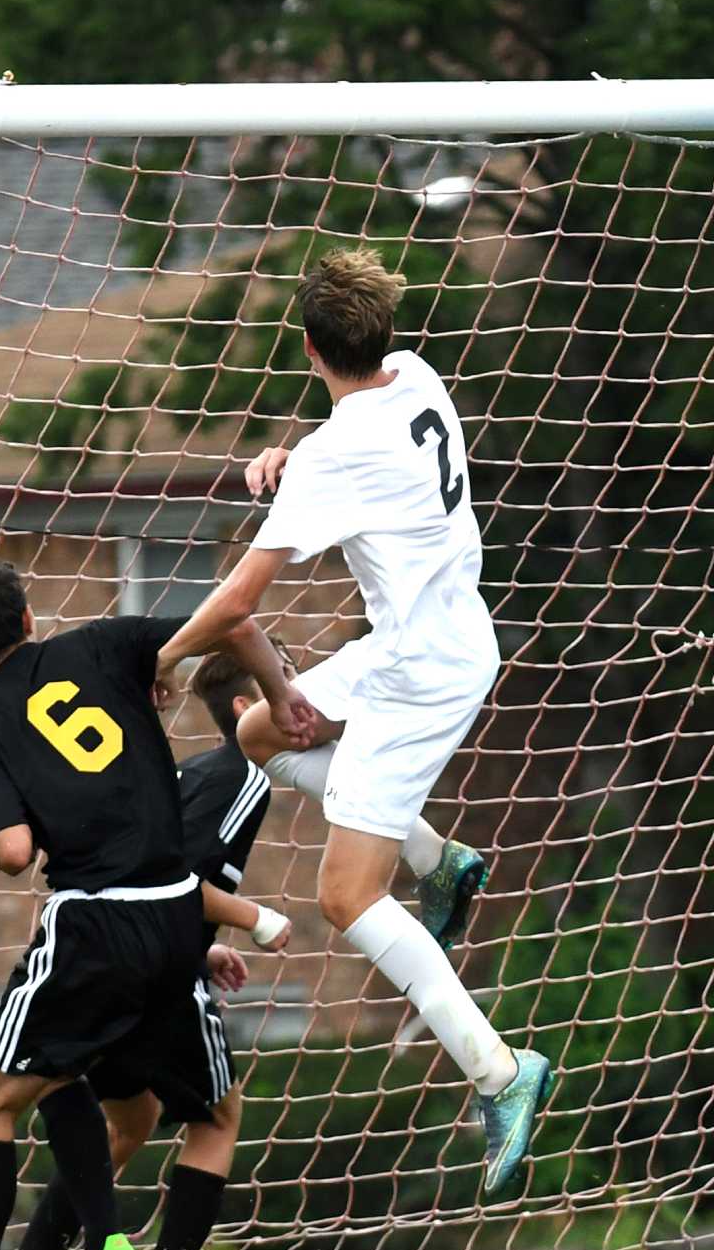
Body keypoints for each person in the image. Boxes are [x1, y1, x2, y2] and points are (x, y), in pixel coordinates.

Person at [162, 246, 552, 1199]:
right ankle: (442, 862)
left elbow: (242, 596)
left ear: (305, 346)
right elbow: (359, 456)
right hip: (430, 636)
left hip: (421, 674)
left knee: (344, 896)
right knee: (258, 734)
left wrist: (161, 654)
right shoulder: (414, 373)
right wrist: (291, 461)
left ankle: (502, 1073)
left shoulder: (339, 452)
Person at [0, 557, 304, 1250]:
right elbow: (232, 621)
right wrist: (281, 693)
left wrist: (28, 822)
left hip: (94, 920)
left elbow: (10, 853)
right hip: (176, 920)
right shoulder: (101, 644)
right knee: (105, 1083)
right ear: (30, 615)